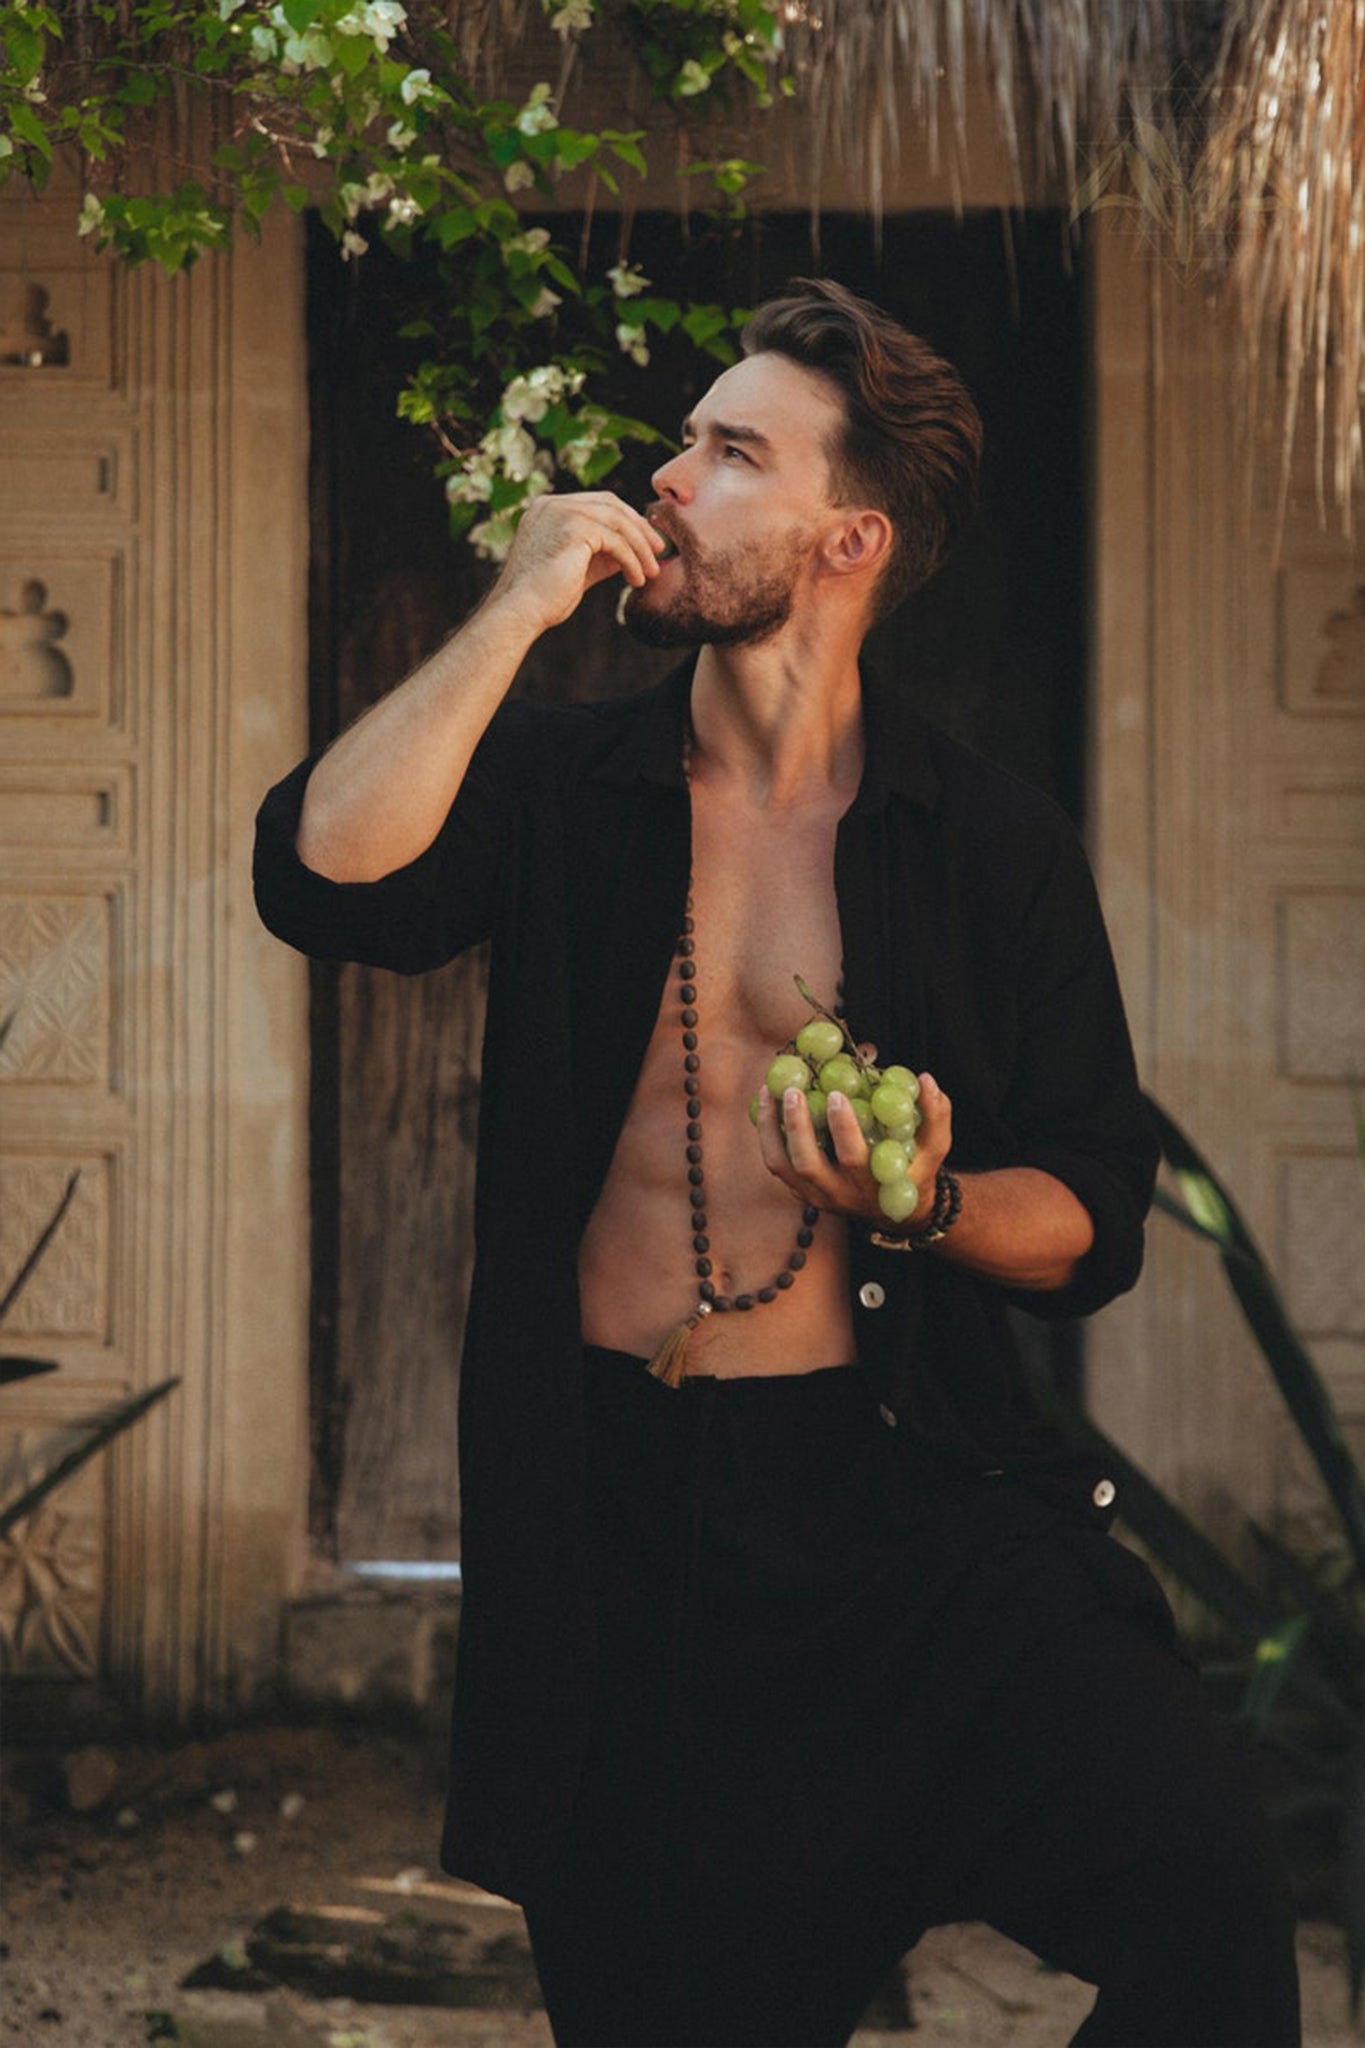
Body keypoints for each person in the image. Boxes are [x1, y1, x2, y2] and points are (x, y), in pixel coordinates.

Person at [254, 278, 1301, 2046]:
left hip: (903, 1502)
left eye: (729, 452)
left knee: (1206, 1898)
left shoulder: (985, 845)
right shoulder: (561, 781)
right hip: (622, 1517)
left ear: (847, 534)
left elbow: (1091, 1212)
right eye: (681, 439)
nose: (667, 477)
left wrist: (928, 1205)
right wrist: (510, 612)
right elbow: (324, 879)